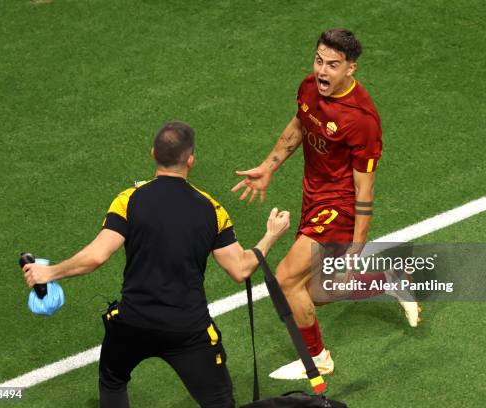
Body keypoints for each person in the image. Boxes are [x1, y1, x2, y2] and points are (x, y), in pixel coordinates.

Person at [23, 121, 291, 407]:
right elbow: (241, 269)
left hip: (133, 322)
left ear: (153, 154)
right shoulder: (212, 209)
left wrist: (48, 272)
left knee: (113, 381)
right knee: (220, 402)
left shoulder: (129, 200)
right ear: (190, 160)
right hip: (188, 330)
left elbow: (96, 257)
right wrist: (270, 236)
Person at [231, 29, 420, 380]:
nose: (322, 71)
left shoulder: (362, 120)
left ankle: (318, 359)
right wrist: (268, 166)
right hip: (312, 197)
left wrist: (358, 244)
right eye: (319, 61)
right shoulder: (308, 87)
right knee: (315, 294)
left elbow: (365, 188)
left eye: (333, 65)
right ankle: (388, 279)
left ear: (351, 69)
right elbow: (299, 126)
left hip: (341, 206)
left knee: (287, 278)